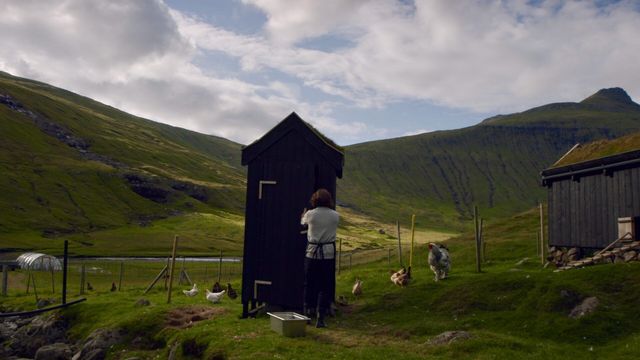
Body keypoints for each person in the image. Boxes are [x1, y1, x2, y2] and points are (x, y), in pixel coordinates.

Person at [301, 188, 339, 328]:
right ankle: (320, 318)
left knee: (309, 284)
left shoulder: (310, 214)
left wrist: (302, 216)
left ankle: (306, 314)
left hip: (312, 253)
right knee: (324, 286)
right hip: (328, 254)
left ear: (315, 200)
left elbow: (302, 224)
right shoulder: (335, 215)